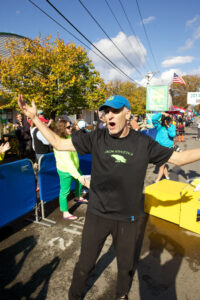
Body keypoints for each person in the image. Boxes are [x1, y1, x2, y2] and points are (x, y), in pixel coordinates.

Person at [18, 94, 200, 300]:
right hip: (97, 215)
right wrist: (34, 118)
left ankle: (121, 295)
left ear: (127, 113)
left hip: (128, 219)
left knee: (125, 268)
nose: (109, 115)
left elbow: (180, 158)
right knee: (84, 266)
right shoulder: (96, 137)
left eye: (115, 111)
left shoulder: (143, 143)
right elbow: (59, 144)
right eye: (106, 111)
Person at [53, 119, 88, 220]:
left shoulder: (68, 136)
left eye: (71, 125)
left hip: (74, 168)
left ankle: (77, 197)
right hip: (65, 171)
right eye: (68, 127)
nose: (71, 128)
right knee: (64, 191)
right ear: (62, 129)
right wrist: (78, 175)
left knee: (79, 182)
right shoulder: (61, 143)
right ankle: (65, 212)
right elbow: (68, 163)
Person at [152, 112, 176, 182]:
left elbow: (172, 135)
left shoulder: (172, 126)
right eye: (166, 119)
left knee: (161, 165)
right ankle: (167, 177)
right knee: (163, 164)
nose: (168, 121)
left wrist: (168, 126)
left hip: (167, 149)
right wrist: (161, 113)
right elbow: (153, 119)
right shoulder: (160, 126)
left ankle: (157, 180)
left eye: (169, 120)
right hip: (159, 148)